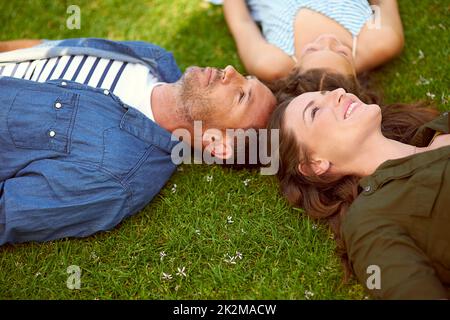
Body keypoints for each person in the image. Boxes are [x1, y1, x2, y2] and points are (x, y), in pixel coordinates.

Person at [0, 38, 276, 245]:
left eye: (241, 95)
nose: (229, 70)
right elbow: (44, 49)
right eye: (245, 75)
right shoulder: (154, 57)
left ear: (218, 145)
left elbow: (8, 214)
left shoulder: (118, 172)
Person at [268, 80, 450, 299]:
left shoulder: (438, 129)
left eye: (326, 91)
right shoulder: (369, 222)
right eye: (314, 112)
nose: (338, 92)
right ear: (315, 164)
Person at [222, 0, 404, 81]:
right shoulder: (379, 40)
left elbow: (242, 23)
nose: (327, 40)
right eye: (341, 51)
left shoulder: (272, 63)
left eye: (312, 50)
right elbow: (381, 3)